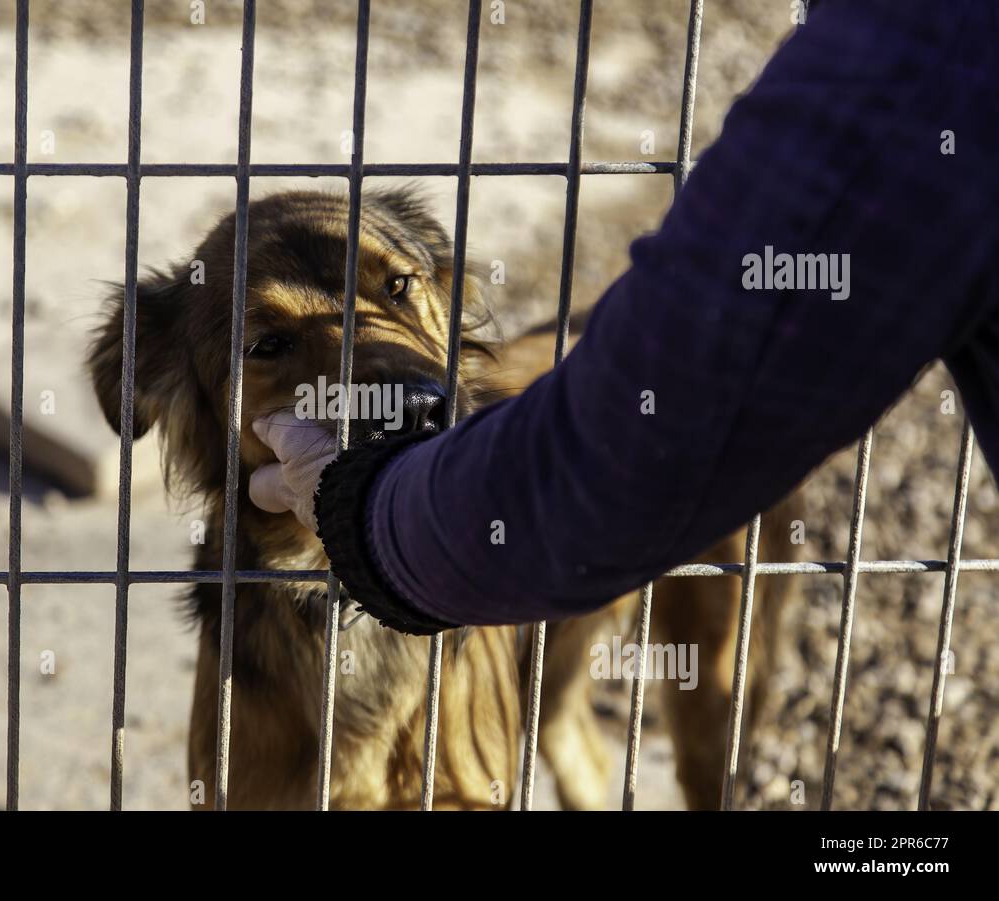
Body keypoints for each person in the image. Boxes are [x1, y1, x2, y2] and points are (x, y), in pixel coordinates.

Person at [248, 0, 999, 635]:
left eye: (401, 292)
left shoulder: (922, 54)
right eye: (270, 342)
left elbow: (610, 472)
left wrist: (361, 509)